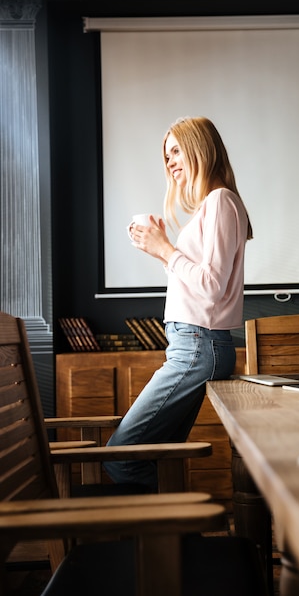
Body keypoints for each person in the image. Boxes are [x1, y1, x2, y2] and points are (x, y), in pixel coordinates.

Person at [104, 116, 253, 492]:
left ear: (200, 148)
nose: (169, 162)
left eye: (175, 150)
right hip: (194, 345)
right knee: (157, 452)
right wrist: (162, 251)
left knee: (121, 456)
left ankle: (172, 541)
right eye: (165, 155)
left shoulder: (220, 201)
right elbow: (201, 284)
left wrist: (166, 249)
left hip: (197, 346)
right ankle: (174, 542)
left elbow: (212, 287)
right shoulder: (214, 205)